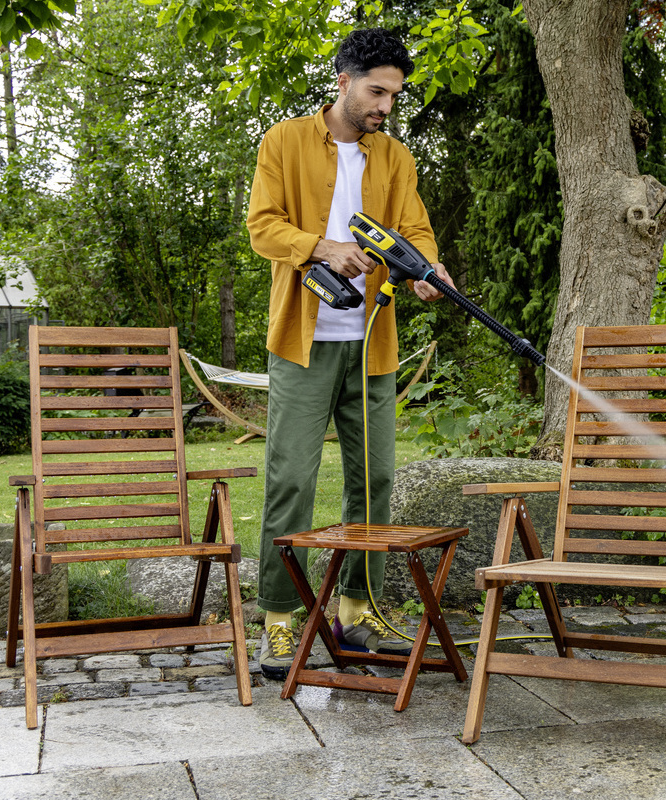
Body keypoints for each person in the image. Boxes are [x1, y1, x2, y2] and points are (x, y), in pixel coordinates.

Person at [245, 27, 454, 678]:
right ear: (343, 81)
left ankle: (356, 612)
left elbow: (414, 229)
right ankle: (279, 623)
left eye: (393, 95)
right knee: (291, 483)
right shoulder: (283, 142)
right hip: (303, 344)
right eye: (376, 91)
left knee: (376, 483)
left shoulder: (395, 159)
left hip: (371, 345)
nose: (385, 105)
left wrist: (427, 268)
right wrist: (322, 247)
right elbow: (262, 225)